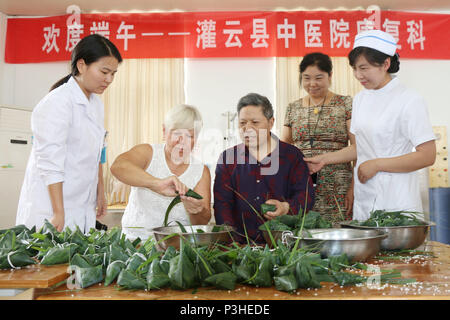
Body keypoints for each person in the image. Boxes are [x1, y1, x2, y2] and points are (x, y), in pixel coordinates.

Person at [304, 30, 436, 221]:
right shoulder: (360, 99)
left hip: (396, 198)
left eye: (364, 68)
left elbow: (427, 155)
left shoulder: (409, 100)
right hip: (365, 195)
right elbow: (361, 148)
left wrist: (378, 164)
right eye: (355, 69)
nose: (358, 75)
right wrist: (324, 159)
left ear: (386, 64)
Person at [16, 34, 122, 232]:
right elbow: (50, 163)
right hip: (51, 209)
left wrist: (100, 192)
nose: (109, 80)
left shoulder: (96, 105)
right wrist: (58, 212)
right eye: (104, 72)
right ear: (82, 66)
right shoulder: (57, 103)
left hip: (81, 205)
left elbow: (99, 151)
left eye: (113, 74)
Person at [214, 93, 314, 244]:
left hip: (284, 244)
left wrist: (286, 207)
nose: (247, 129)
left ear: (271, 122)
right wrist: (231, 243)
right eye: (242, 123)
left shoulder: (292, 156)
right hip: (240, 246)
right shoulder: (228, 159)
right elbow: (222, 205)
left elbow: (306, 196)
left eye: (255, 122)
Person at [111, 104, 211, 240]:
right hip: (134, 243)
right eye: (177, 133)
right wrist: (156, 184)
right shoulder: (147, 153)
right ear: (164, 131)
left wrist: (195, 211)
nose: (182, 142)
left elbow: (202, 222)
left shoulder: (201, 171)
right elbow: (118, 166)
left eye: (190, 136)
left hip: (176, 247)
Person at [281, 52, 354, 225]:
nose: (312, 84)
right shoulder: (293, 108)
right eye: (306, 78)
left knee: (337, 236)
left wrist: (353, 188)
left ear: (330, 76)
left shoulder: (345, 104)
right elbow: (284, 149)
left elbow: (358, 148)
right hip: (301, 185)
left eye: (318, 78)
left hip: (338, 185)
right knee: (304, 237)